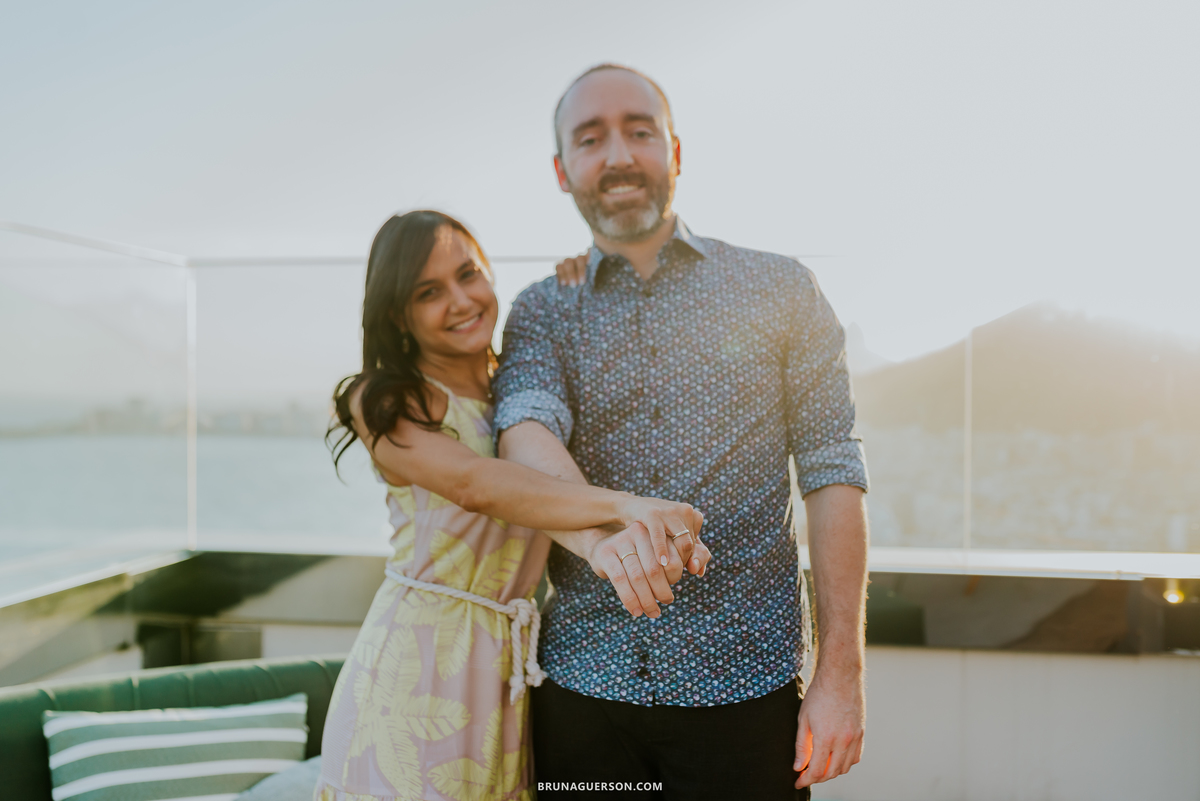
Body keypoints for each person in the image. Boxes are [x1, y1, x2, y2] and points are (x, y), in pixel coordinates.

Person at [494, 64, 871, 799]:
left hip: (747, 695)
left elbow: (832, 471)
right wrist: (606, 539)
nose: (618, 154)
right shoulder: (542, 309)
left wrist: (841, 674)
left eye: (640, 131)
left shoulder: (780, 287)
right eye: (591, 137)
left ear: (674, 152)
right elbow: (524, 433)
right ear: (562, 169)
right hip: (583, 692)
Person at [315, 210, 711, 801]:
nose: (460, 300)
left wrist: (575, 285)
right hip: (420, 664)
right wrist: (628, 507)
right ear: (398, 315)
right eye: (429, 292)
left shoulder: (522, 390)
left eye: (468, 274)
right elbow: (477, 482)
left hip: (513, 668)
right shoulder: (383, 399)